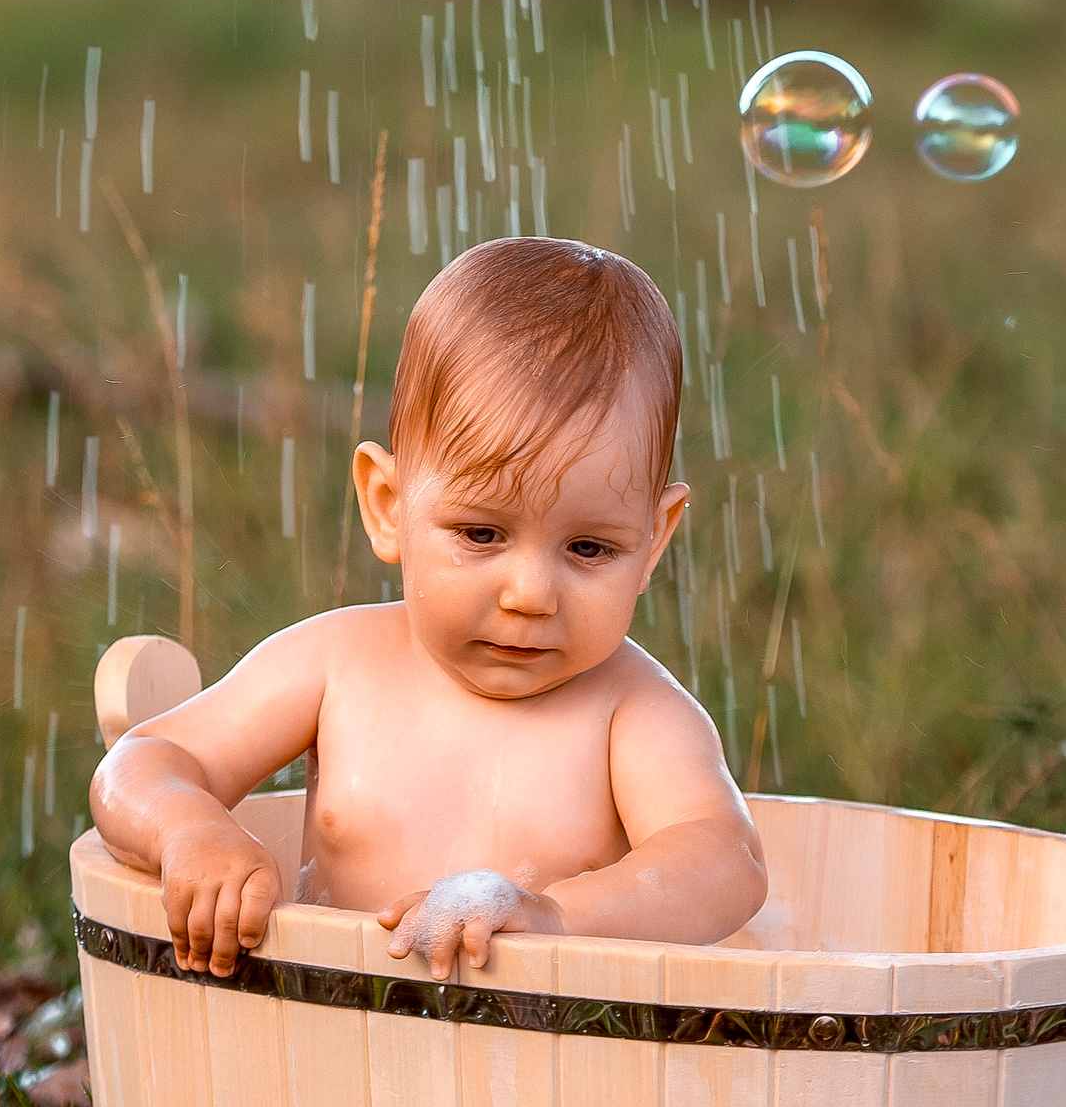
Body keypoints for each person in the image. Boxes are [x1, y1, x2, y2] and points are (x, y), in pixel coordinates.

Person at [89, 237, 767, 981]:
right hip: (334, 1051)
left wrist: (557, 916)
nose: (531, 595)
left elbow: (723, 861)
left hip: (551, 1074)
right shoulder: (335, 666)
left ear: (654, 542)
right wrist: (191, 830)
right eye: (482, 534)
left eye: (590, 550)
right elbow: (142, 765)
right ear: (388, 506)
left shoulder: (632, 713)